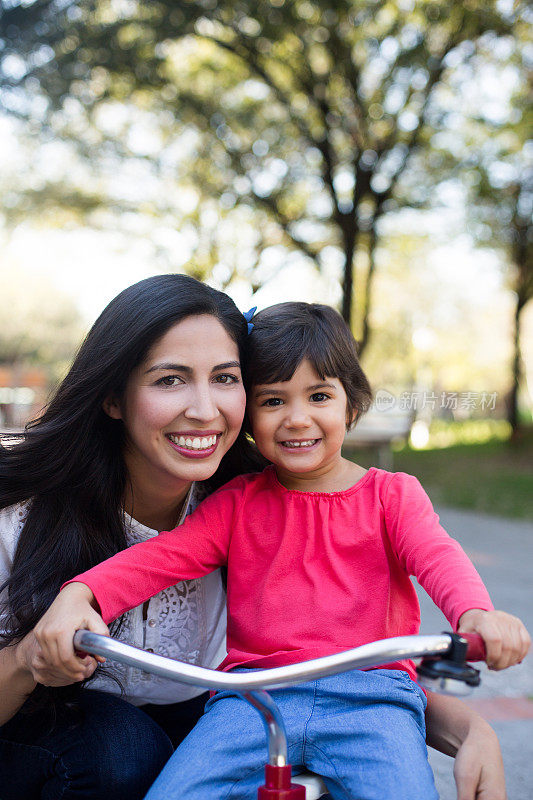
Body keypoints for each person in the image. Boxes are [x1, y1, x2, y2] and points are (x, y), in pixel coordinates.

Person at [36, 302, 530, 800]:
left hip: (373, 700)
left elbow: (438, 557)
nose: (297, 419)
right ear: (248, 416)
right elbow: (160, 558)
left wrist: (475, 614)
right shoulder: (238, 503)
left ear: (350, 406)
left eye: (318, 396)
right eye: (273, 401)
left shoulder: (391, 497)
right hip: (251, 700)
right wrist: (84, 594)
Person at [0, 274, 265, 799]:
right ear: (113, 398)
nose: (205, 409)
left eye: (225, 378)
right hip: (38, 743)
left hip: (189, 728)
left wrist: (465, 733)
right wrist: (30, 658)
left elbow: (352, 652)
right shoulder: (21, 514)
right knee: (121, 752)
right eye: (170, 380)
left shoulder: (255, 508)